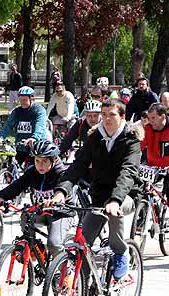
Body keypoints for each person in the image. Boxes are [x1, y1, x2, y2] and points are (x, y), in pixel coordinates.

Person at [56, 99, 140, 280]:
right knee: (82, 243)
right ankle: (85, 289)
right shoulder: (95, 137)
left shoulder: (131, 140)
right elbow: (78, 166)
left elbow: (128, 172)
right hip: (99, 197)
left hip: (125, 195)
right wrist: (61, 191)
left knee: (113, 213)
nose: (106, 119)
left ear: (122, 117)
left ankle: (120, 253)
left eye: (112, 115)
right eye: (104, 115)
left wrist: (116, 199)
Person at [0, 139, 76, 257]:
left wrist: (57, 198)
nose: (40, 165)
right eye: (37, 161)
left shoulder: (61, 173)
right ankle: (35, 250)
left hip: (61, 213)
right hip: (42, 211)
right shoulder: (33, 172)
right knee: (25, 216)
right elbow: (18, 185)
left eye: (44, 161)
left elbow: (64, 187)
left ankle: (63, 271)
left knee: (54, 244)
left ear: (54, 160)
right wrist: (1, 196)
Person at [142, 103, 169, 239]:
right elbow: (140, 145)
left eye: (153, 118)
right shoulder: (148, 128)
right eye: (149, 118)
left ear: (163, 117)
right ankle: (141, 214)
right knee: (141, 188)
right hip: (153, 166)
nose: (151, 121)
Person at [0, 86, 49, 164]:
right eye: (21, 100)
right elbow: (8, 125)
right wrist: (1, 137)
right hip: (21, 145)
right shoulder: (16, 111)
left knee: (33, 168)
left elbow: (40, 125)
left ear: (31, 99)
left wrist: (34, 137)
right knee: (12, 166)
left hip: (35, 145)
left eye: (25, 100)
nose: (22, 102)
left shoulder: (39, 110)